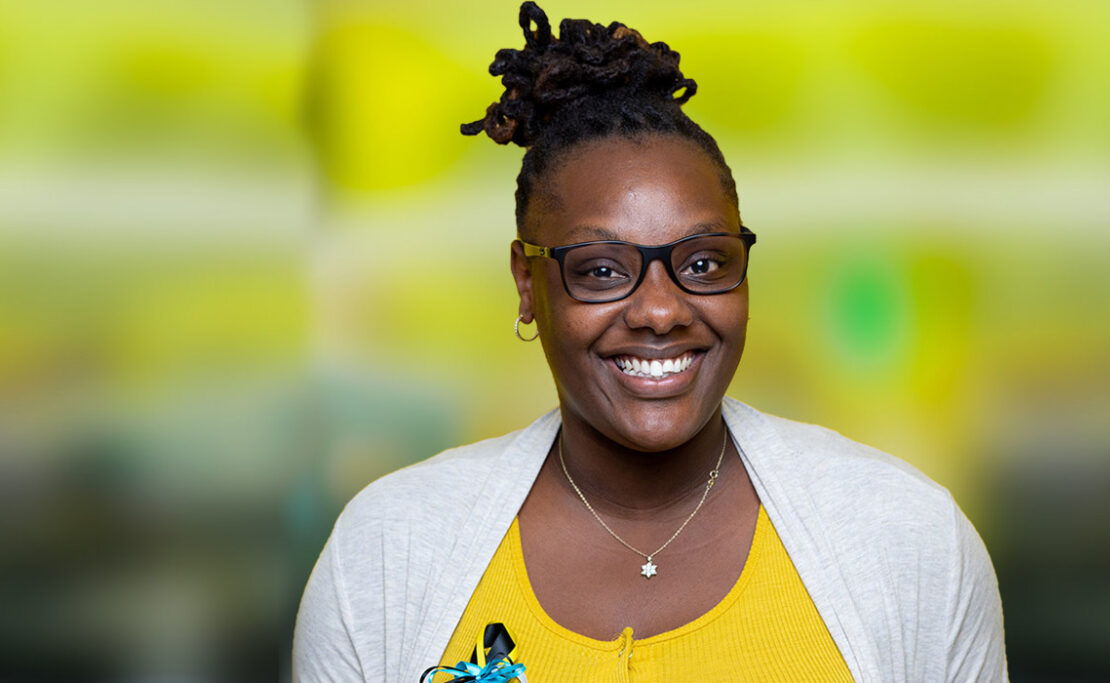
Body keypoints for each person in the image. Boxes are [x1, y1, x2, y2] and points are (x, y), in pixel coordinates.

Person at [293, 3, 1007, 681]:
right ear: (527, 283)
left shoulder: (908, 540)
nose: (661, 311)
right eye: (602, 270)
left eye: (703, 263)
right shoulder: (387, 552)